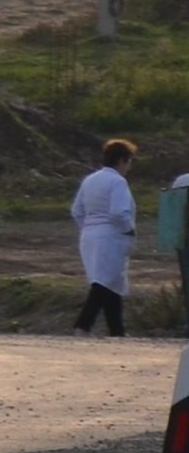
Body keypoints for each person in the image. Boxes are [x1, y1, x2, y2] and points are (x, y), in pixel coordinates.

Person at [71, 135, 139, 334]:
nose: (129, 167)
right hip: (110, 237)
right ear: (121, 161)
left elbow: (77, 211)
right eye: (129, 162)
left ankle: (117, 330)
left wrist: (88, 227)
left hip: (89, 236)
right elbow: (118, 212)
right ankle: (83, 325)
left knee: (112, 282)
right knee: (103, 283)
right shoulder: (117, 182)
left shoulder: (90, 180)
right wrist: (128, 229)